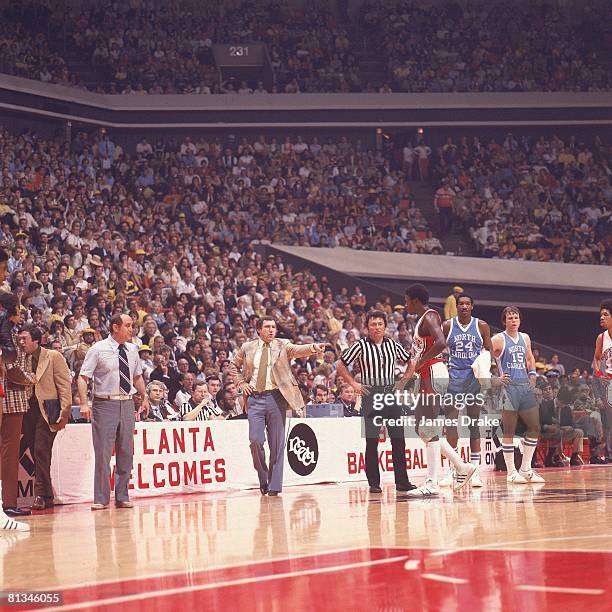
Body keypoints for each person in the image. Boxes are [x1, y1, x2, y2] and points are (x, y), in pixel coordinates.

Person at [230, 315, 325, 496]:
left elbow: (297, 349)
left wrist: (313, 347)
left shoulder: (283, 344)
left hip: (276, 397)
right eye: (267, 327)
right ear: (259, 329)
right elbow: (233, 365)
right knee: (255, 440)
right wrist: (241, 383)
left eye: (273, 327)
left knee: (277, 444)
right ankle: (263, 477)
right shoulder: (247, 347)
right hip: (254, 399)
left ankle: (274, 486)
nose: (271, 330)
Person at [403, 284, 476, 496]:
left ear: (415, 300)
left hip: (434, 371)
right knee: (422, 426)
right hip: (429, 372)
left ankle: (432, 483)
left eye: (407, 300)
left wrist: (420, 364)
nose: (406, 304)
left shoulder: (430, 316)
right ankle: (461, 465)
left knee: (426, 425)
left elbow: (441, 342)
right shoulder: (421, 320)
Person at [335, 309, 416, 494]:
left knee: (399, 440)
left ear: (385, 326)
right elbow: (340, 364)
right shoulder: (360, 346)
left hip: (391, 394)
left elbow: (411, 361)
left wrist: (403, 382)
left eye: (380, 324)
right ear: (367, 327)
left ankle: (402, 482)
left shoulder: (393, 345)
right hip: (371, 395)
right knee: (372, 442)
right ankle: (374, 483)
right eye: (373, 324)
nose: (377, 327)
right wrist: (354, 383)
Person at [77, 314, 149, 510]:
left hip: (127, 403)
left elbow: (137, 377)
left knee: (126, 452)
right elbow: (83, 378)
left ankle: (122, 495)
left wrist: (145, 396)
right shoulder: (97, 349)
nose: (131, 329)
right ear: (115, 327)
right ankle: (100, 498)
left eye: (132, 326)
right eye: (127, 325)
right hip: (104, 404)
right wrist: (84, 404)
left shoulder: (133, 349)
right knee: (103, 453)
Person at [441, 293, 496, 488]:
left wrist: (491, 374)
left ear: (472, 306)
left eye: (467, 304)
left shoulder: (481, 325)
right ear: (456, 306)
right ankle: (453, 469)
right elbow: (439, 349)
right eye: (460, 304)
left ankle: (475, 470)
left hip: (474, 378)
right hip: (455, 377)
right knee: (451, 423)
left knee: (474, 423)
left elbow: (489, 352)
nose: (464, 306)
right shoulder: (447, 326)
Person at [19, 325, 71, 511]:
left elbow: (64, 385)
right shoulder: (20, 358)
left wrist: (64, 413)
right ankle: (48, 495)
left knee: (41, 449)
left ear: (36, 340)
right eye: (20, 339)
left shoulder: (53, 356)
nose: (21, 342)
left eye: (24, 338)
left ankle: (40, 494)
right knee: (36, 452)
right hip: (26, 409)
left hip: (48, 410)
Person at [491, 306, 544, 484]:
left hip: (524, 388)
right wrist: (494, 378)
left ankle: (526, 469)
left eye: (516, 317)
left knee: (534, 427)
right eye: (510, 318)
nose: (513, 320)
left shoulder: (525, 337)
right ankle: (511, 472)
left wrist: (533, 377)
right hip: (508, 389)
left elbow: (529, 358)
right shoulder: (498, 339)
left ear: (520, 320)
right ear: (504, 321)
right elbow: (482, 356)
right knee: (509, 431)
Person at [0, 295, 33, 523]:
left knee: (9, 454)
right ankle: (9, 503)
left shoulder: (10, 334)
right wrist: (30, 379)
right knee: (9, 454)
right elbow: (12, 369)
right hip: (11, 400)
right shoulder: (8, 336)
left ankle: (8, 502)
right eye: (19, 309)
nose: (21, 313)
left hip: (10, 398)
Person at [592, 299, 612, 459]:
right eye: (601, 315)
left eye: (606, 315)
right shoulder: (601, 338)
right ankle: (610, 453)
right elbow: (596, 360)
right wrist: (600, 375)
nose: (602, 318)